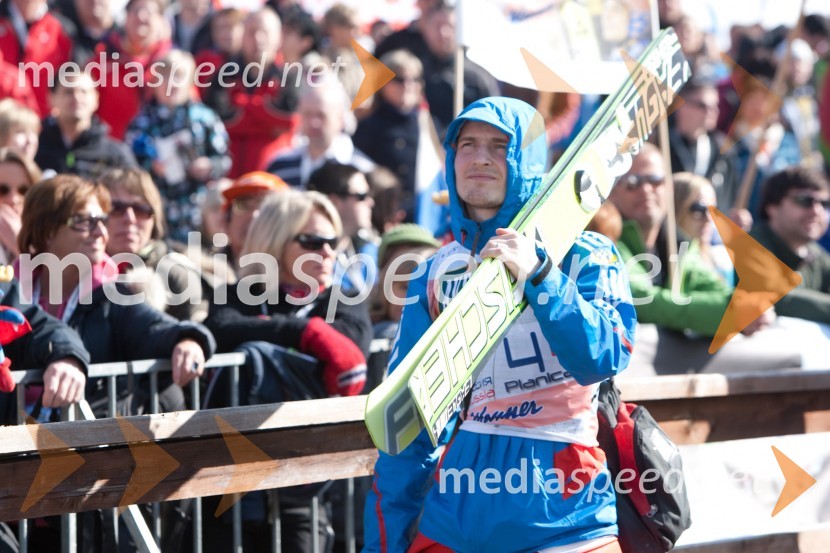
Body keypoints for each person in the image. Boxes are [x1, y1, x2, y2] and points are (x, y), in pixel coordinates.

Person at [364, 97, 636, 553]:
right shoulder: (435, 272)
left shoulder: (587, 254)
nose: (481, 158)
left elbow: (604, 355)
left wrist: (541, 276)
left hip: (566, 521)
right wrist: (384, 544)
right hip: (455, 521)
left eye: (499, 145)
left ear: (527, 161)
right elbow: (406, 426)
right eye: (466, 145)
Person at [204, 190, 371, 552]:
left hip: (306, 482)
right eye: (312, 241)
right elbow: (220, 328)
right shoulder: (238, 295)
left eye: (332, 242)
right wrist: (300, 333)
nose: (327, 253)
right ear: (276, 240)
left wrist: (270, 337)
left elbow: (350, 348)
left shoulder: (342, 299)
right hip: (229, 486)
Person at [17, 175, 215, 419]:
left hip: (82, 446)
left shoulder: (113, 293)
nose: (100, 231)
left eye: (102, 220)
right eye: (84, 221)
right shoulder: (10, 290)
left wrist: (188, 340)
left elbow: (153, 327)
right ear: (47, 231)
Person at [125, 49, 231, 242]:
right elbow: (129, 165)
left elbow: (224, 160)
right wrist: (151, 167)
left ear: (190, 81)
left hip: (199, 214)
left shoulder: (205, 119)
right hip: (157, 212)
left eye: (178, 76)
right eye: (164, 76)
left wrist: (209, 165)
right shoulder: (141, 123)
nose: (171, 83)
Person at [100, 168, 207, 321]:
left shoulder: (176, 275)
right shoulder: (76, 272)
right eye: (116, 208)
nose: (129, 218)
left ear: (154, 219)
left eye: (141, 209)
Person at [751, 166, 830, 324]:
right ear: (772, 207)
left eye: (825, 203)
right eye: (805, 201)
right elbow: (774, 298)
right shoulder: (752, 246)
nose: (817, 211)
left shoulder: (816, 254)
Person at [266, 75, 375, 188]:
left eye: (321, 115)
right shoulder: (279, 165)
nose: (314, 122)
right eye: (307, 114)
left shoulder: (362, 169)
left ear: (340, 118)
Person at [36, 73, 137, 180]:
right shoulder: (34, 148)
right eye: (68, 92)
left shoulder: (116, 155)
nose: (76, 97)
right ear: (51, 98)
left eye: (84, 92)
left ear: (96, 98)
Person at [307, 161, 378, 293]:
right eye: (362, 196)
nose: (371, 202)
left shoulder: (370, 250)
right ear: (334, 202)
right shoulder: (306, 256)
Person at [0, 149, 41, 265]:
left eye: (24, 191)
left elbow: (52, 282)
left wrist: (19, 245)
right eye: (2, 190)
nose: (14, 199)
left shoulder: (50, 237)